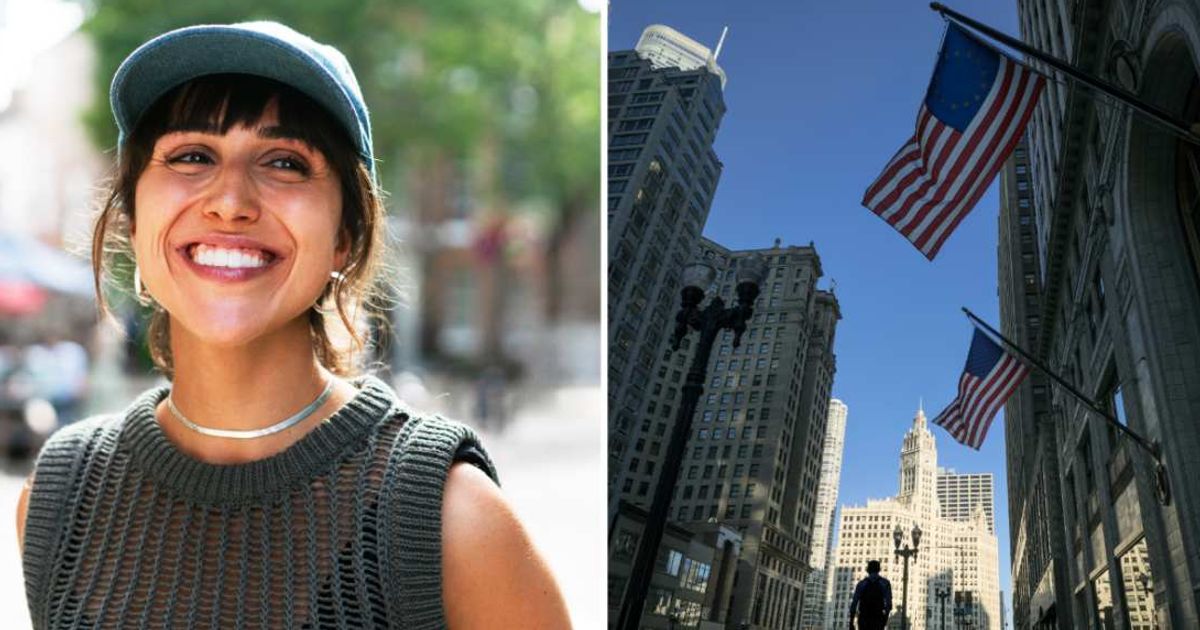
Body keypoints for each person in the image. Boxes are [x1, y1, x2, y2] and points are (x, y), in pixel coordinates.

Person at [15, 21, 570, 629]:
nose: (230, 201)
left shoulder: (452, 520)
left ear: (344, 237)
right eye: (192, 156)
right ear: (132, 217)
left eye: (285, 162)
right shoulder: (58, 498)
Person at [849, 559, 893, 629]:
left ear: (868, 570)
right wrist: (885, 618)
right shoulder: (885, 583)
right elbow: (888, 603)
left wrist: (851, 622)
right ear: (879, 569)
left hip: (864, 618)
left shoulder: (861, 584)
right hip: (878, 617)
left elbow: (854, 603)